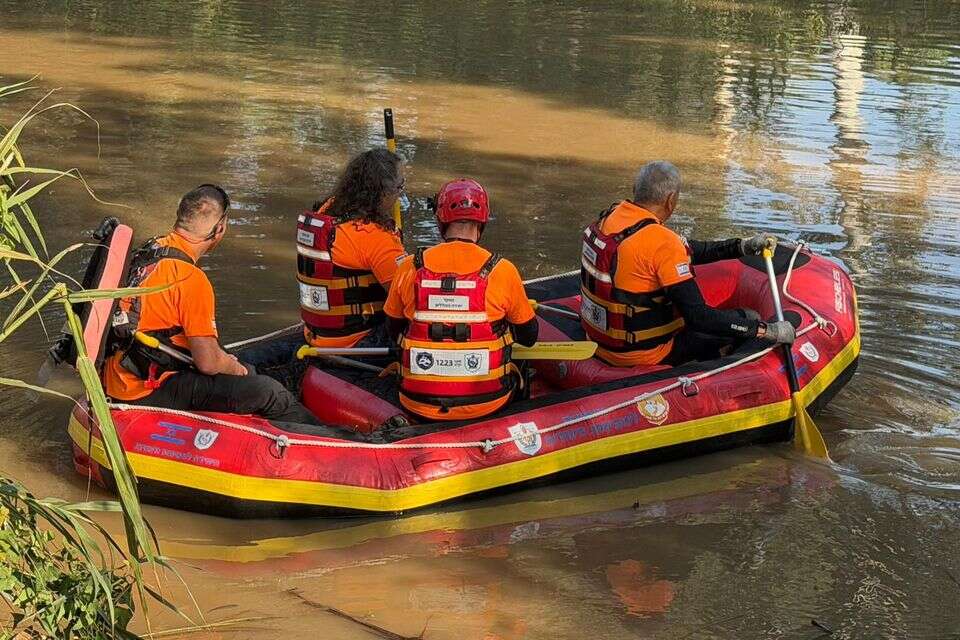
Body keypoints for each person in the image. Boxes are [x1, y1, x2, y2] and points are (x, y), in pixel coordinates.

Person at [103, 184, 319, 424]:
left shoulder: (148, 251)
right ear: (220, 228)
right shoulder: (191, 279)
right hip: (147, 389)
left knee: (242, 361)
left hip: (118, 377)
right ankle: (338, 443)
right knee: (270, 392)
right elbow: (208, 363)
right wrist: (242, 372)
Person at [579, 161, 795, 368]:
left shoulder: (611, 217)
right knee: (749, 317)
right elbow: (699, 318)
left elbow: (688, 251)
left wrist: (741, 246)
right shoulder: (661, 241)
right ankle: (716, 369)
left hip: (600, 341)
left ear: (636, 189)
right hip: (643, 353)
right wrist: (767, 330)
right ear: (671, 200)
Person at [384, 179, 538, 421]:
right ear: (483, 220)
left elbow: (393, 331)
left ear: (441, 220)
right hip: (487, 402)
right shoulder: (502, 270)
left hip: (416, 400)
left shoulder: (409, 267)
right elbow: (529, 338)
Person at [297, 148, 407, 349]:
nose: (400, 195)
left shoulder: (325, 210)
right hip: (355, 340)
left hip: (315, 333)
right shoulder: (375, 237)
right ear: (383, 193)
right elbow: (405, 299)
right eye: (400, 187)